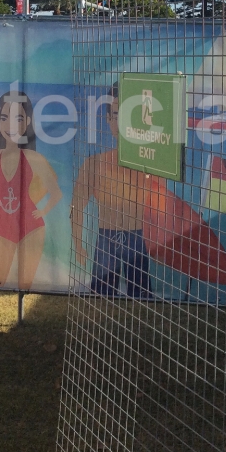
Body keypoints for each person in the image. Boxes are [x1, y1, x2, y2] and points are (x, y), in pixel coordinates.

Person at [71, 84, 154, 299]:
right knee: (101, 299)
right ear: (108, 120)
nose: (122, 121)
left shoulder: (149, 163)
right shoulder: (94, 164)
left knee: (141, 300)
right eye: (116, 114)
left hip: (138, 238)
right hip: (106, 239)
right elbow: (76, 205)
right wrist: (77, 244)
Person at [0, 90, 63, 290]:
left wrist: (42, 212)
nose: (10, 125)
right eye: (4, 118)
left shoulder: (33, 158)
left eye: (18, 118)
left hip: (31, 228)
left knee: (24, 285)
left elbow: (56, 193)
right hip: (4, 229)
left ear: (27, 121)